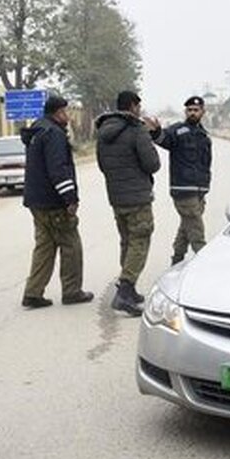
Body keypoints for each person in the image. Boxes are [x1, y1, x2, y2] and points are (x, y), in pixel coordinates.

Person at [20, 94, 93, 309]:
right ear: (58, 112)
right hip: (53, 203)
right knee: (71, 245)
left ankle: (33, 293)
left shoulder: (37, 130)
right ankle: (72, 291)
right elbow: (58, 169)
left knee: (44, 247)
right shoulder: (54, 134)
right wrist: (70, 198)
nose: (69, 116)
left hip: (36, 201)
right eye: (66, 111)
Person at [96, 90, 161, 316]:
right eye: (139, 106)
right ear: (133, 106)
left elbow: (102, 165)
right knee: (140, 241)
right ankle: (124, 291)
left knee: (127, 241)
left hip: (116, 196)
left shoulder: (103, 131)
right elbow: (152, 164)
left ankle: (129, 288)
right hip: (138, 197)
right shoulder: (136, 129)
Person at [152, 95, 213, 265]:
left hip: (200, 190)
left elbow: (206, 163)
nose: (192, 113)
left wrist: (206, 186)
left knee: (187, 227)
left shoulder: (204, 135)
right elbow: (163, 139)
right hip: (183, 189)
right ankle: (205, 264)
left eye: (196, 110)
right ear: (185, 111)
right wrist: (156, 131)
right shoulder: (177, 131)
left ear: (202, 112)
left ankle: (177, 260)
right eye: (189, 110)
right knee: (196, 230)